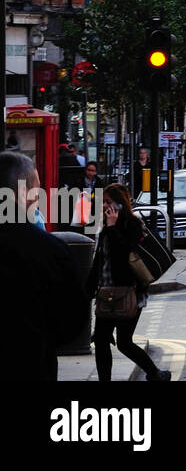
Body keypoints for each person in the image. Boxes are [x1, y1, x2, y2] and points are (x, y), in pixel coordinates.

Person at [0, 152, 89, 380]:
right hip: (31, 366)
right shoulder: (51, 251)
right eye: (35, 190)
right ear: (22, 192)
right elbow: (73, 323)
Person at [87, 183, 170, 381]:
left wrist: (114, 228)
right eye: (103, 202)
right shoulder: (106, 226)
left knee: (124, 342)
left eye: (109, 202)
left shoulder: (133, 224)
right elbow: (101, 260)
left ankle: (154, 373)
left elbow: (126, 254)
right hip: (107, 292)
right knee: (101, 340)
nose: (104, 206)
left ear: (120, 204)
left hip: (129, 292)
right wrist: (88, 289)